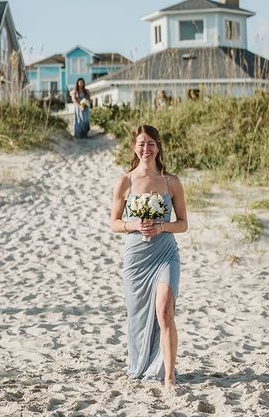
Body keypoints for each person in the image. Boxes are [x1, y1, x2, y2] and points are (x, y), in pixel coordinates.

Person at [110, 125, 188, 387]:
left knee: (165, 311)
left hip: (165, 253)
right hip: (136, 258)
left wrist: (162, 226)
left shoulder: (171, 181)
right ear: (134, 146)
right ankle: (142, 364)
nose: (146, 148)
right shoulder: (125, 181)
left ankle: (169, 376)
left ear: (158, 146)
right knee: (139, 315)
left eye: (151, 143)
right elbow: (114, 223)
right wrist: (135, 225)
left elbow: (183, 223)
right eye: (142, 143)